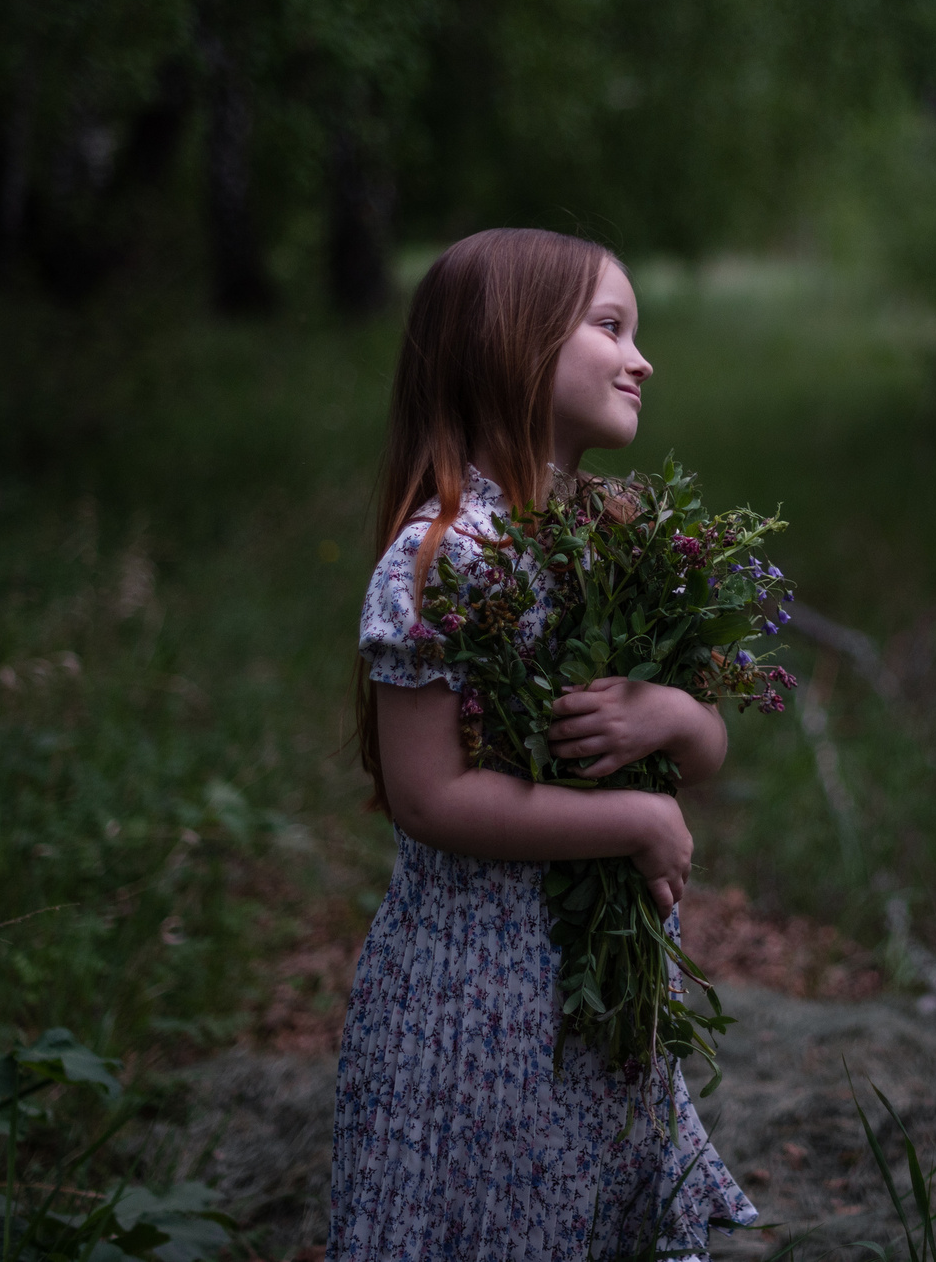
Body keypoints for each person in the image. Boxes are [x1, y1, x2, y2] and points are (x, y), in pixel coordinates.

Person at [329, 228, 757, 1262]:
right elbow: (428, 794)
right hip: (474, 1001)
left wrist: (672, 716)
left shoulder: (615, 535)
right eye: (610, 326)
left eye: (636, 332)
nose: (641, 357)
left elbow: (703, 746)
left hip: (594, 995)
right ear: (511, 345)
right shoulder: (446, 555)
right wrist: (636, 818)